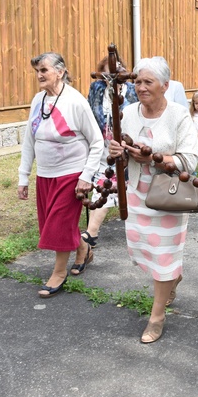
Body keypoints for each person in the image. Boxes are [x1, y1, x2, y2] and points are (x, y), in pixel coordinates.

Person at [108, 56, 198, 343]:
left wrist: (156, 159)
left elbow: (190, 160)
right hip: (136, 191)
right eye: (138, 82)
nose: (141, 87)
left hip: (168, 195)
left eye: (148, 82)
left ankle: (156, 317)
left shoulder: (178, 115)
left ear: (165, 85)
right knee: (145, 249)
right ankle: (172, 277)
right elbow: (119, 149)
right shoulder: (128, 112)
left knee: (164, 255)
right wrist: (116, 152)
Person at [18, 52, 104, 297]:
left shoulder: (75, 101)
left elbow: (97, 141)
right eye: (37, 71)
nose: (39, 75)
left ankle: (58, 272)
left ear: (60, 71)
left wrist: (86, 176)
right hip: (45, 175)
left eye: (43, 70)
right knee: (53, 223)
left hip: (71, 174)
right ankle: (83, 247)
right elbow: (29, 141)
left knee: (58, 224)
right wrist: (23, 176)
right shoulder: (38, 100)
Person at [82, 55, 138, 251]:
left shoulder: (132, 90)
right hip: (103, 145)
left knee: (125, 187)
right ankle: (91, 233)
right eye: (106, 73)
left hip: (125, 146)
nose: (111, 76)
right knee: (103, 184)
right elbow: (90, 114)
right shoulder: (97, 89)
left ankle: (92, 232)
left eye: (115, 70)